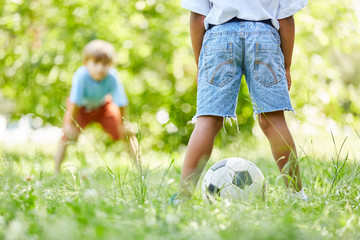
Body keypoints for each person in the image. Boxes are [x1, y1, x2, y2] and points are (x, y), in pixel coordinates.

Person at [172, 0, 309, 202]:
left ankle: (182, 197)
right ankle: (297, 195)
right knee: (273, 121)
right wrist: (286, 65)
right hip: (265, 36)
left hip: (219, 36)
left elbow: (197, 16)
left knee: (208, 121)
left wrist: (199, 61)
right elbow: (286, 18)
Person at [54, 39, 140, 174]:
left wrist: (124, 123)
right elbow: (74, 102)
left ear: (111, 65)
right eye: (96, 63)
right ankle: (56, 171)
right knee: (67, 135)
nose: (100, 68)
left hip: (102, 107)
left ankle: (140, 169)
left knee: (127, 132)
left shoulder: (112, 76)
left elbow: (121, 102)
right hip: (80, 109)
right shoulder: (81, 75)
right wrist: (70, 123)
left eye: (105, 64)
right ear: (86, 63)